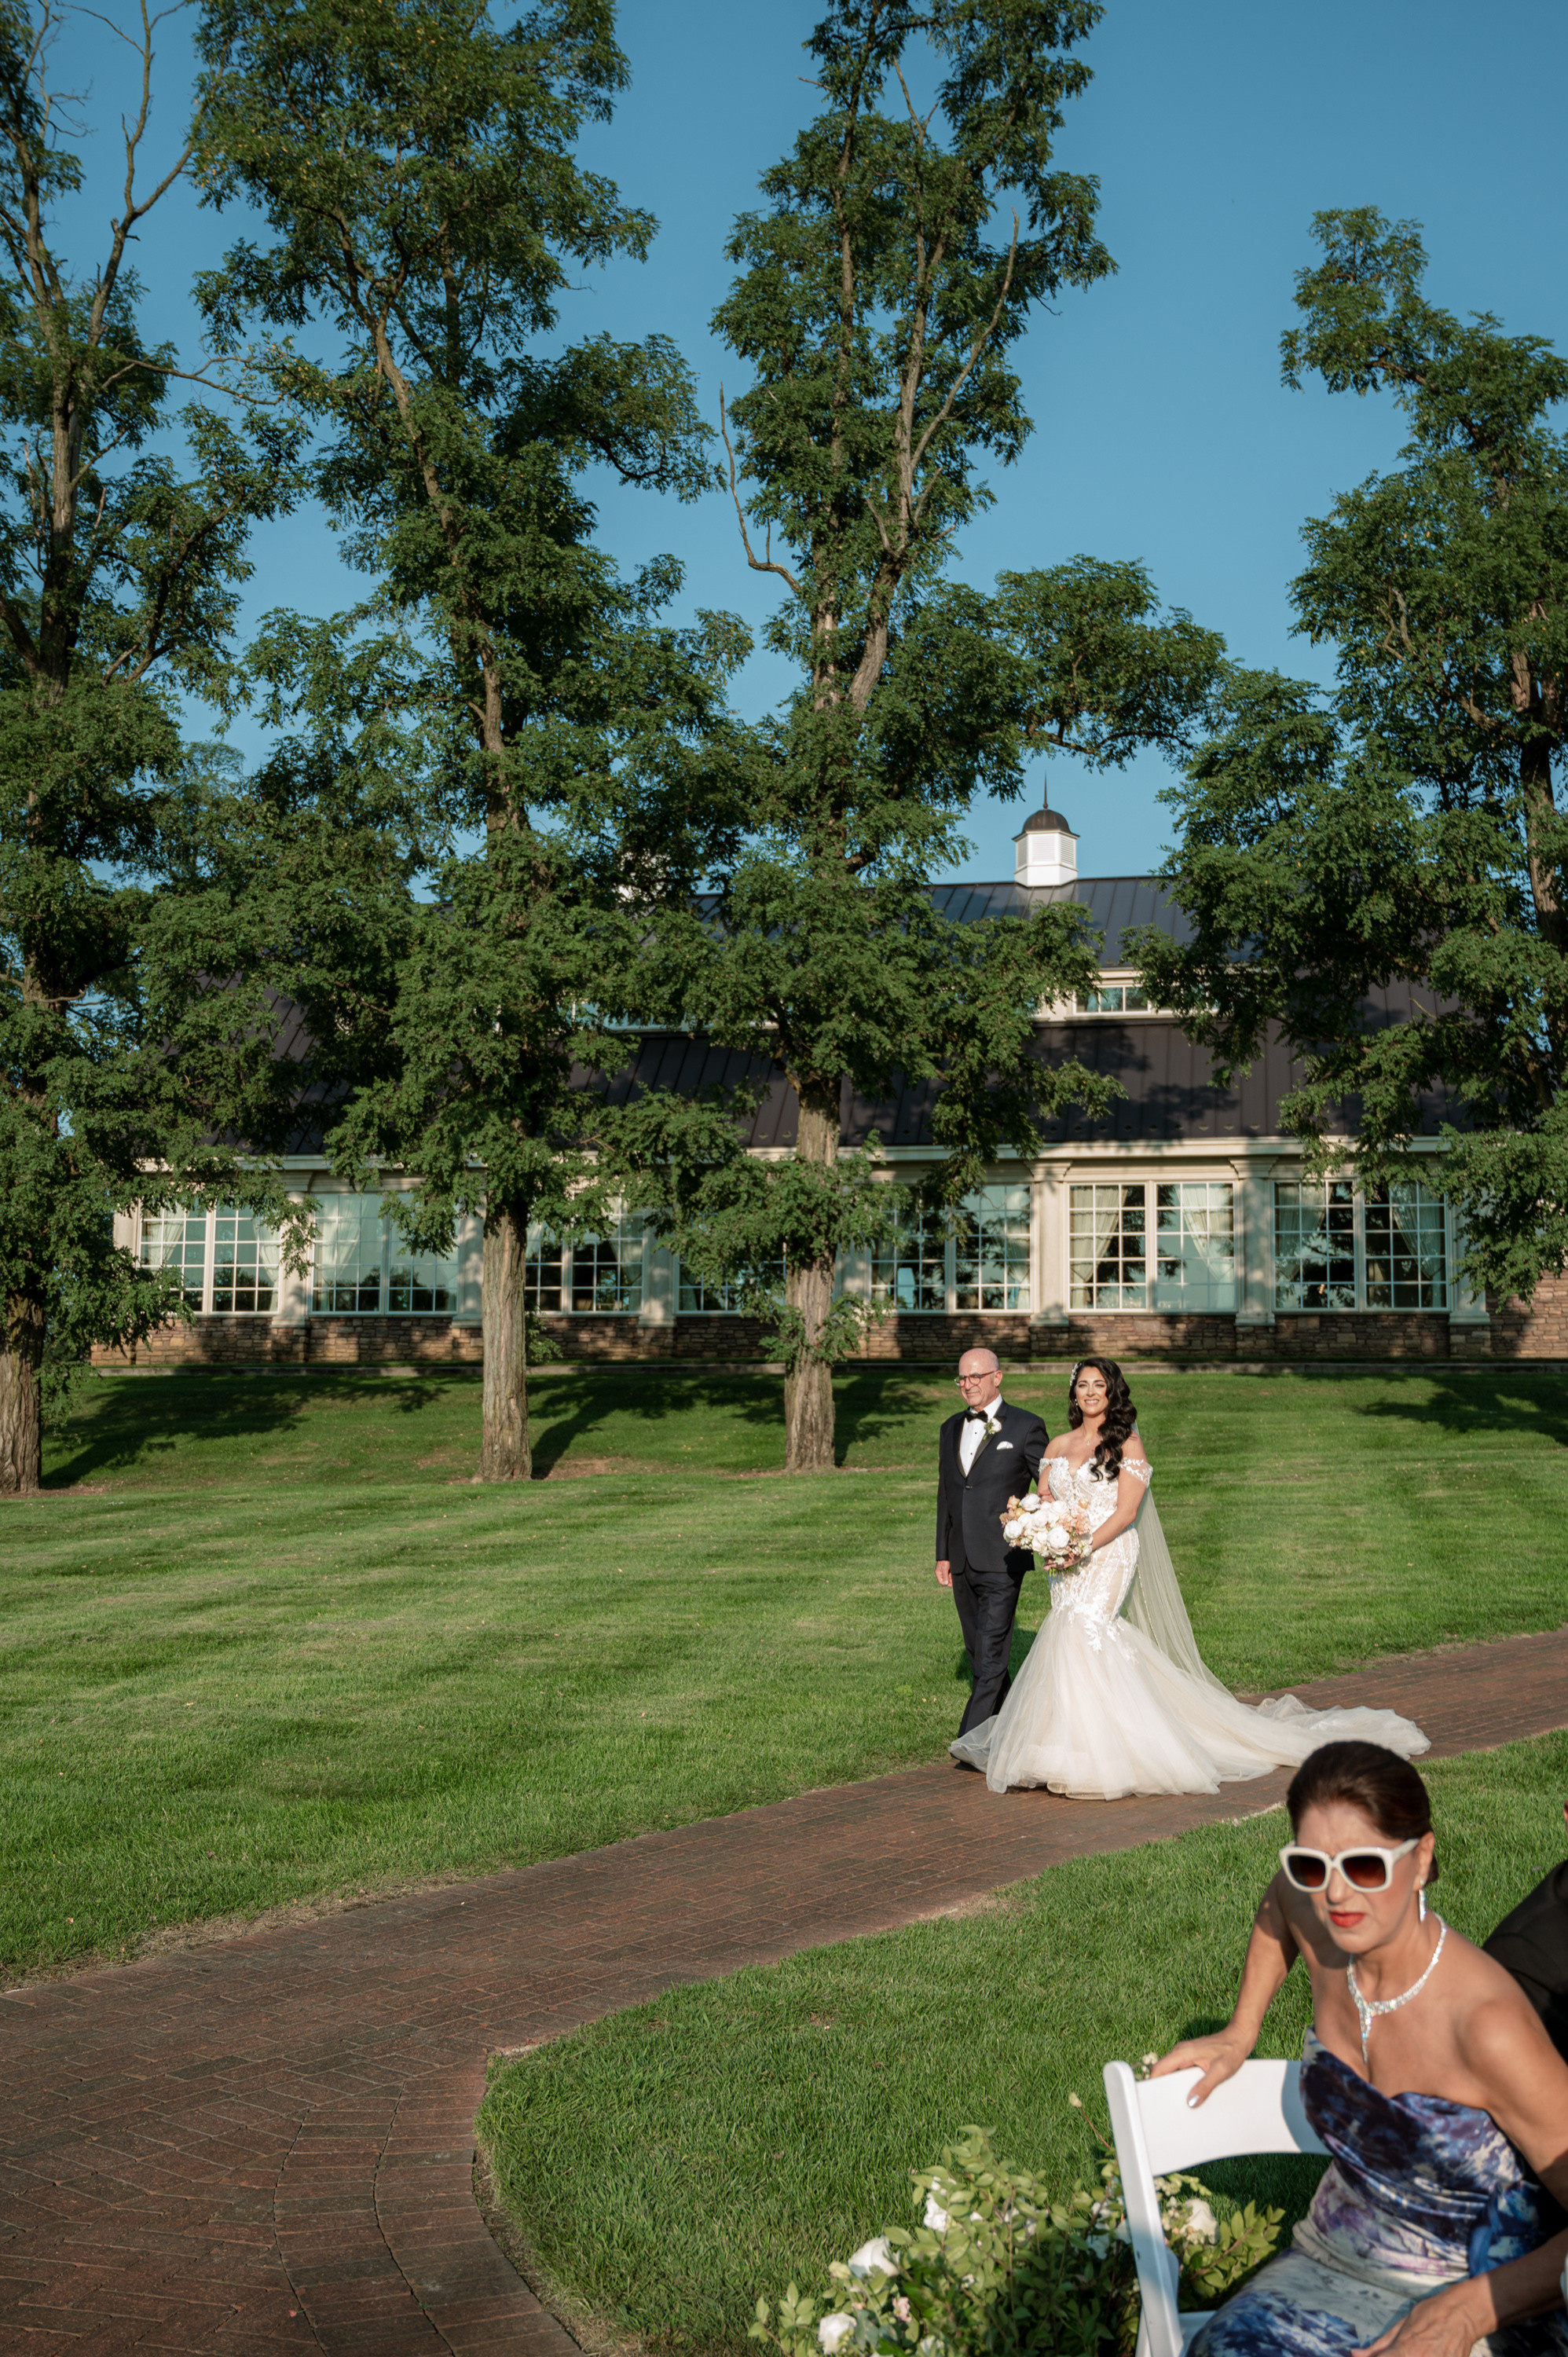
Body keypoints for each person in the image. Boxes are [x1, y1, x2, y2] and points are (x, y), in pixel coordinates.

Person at [1153, 1743, 1568, 2356]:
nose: (1337, 1895)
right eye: (1313, 1866)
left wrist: (1463, 2314)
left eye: (1365, 1866)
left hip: (1487, 2299)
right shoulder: (1319, 1924)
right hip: (1328, 2255)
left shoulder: (1485, 2025)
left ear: (1421, 1857)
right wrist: (1242, 2028)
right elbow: (1279, 1903)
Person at [948, 1358, 1429, 1799]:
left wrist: (1083, 1544)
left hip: (1108, 1552)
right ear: (1072, 1394)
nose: (1090, 1392)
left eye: (1099, 1385)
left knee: (1086, 1631)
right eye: (1082, 1385)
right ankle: (1065, 1746)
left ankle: (1110, 1753)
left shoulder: (1125, 1441)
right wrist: (1041, 1531)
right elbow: (1047, 1496)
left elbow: (1128, 1510)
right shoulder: (1056, 1445)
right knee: (1066, 1634)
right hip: (1065, 1561)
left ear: (1112, 1393)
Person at [934, 1348, 1049, 1740]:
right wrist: (943, 1554)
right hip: (962, 1557)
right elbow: (946, 1494)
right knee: (977, 1650)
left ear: (997, 1378)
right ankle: (1019, 1723)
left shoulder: (1026, 1426)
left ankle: (971, 1741)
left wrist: (1043, 1531)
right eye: (962, 1378)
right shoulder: (950, 1428)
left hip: (1003, 1557)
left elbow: (1048, 1490)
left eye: (976, 1377)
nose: (968, 1385)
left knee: (992, 1650)